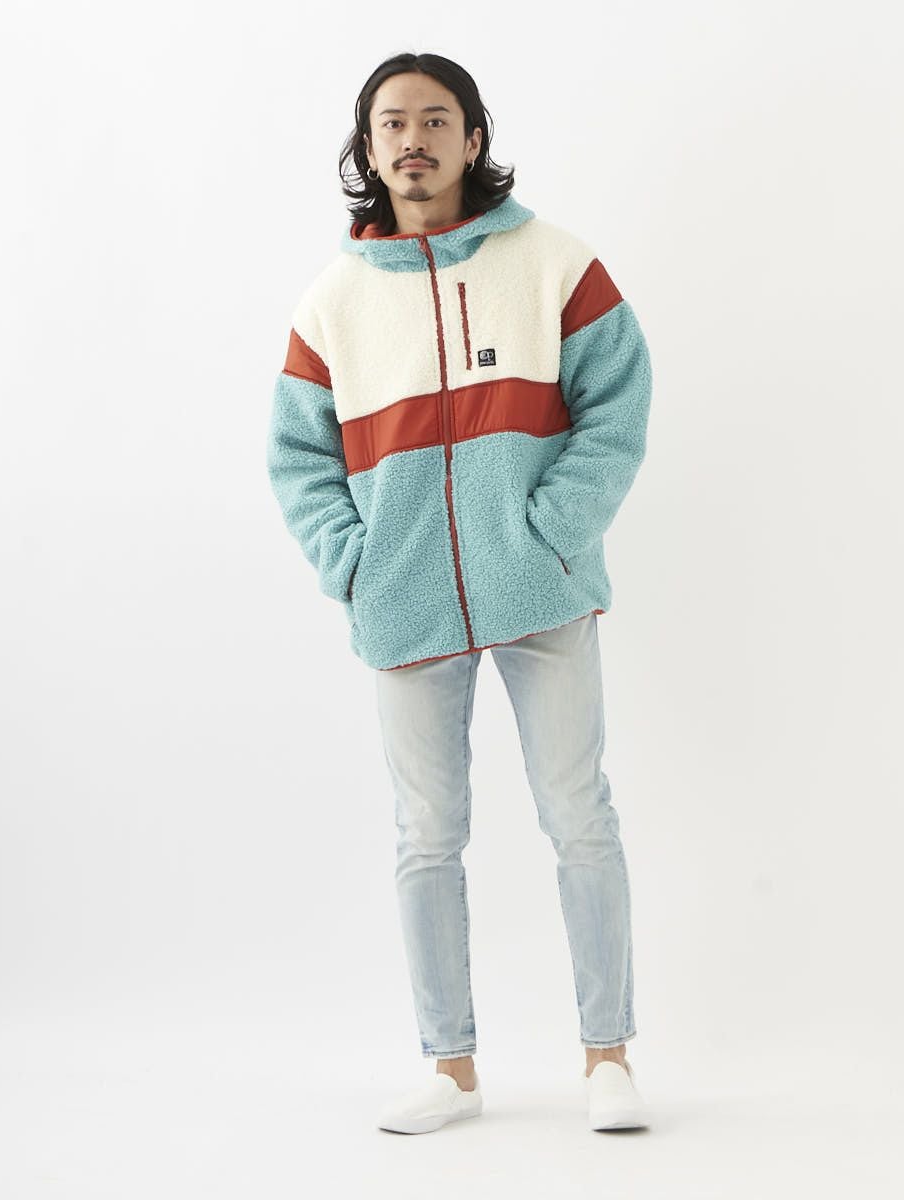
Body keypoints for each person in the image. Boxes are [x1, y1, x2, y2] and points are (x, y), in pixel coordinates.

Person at [267, 51, 653, 1134]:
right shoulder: (334, 303)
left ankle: (608, 1058)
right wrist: (355, 565)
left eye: (436, 120)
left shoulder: (553, 263)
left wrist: (550, 532)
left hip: (541, 591)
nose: (414, 140)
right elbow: (297, 459)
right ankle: (452, 1070)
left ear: (473, 138)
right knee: (426, 835)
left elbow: (618, 405)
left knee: (578, 815)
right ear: (368, 146)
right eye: (393, 123)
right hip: (405, 605)